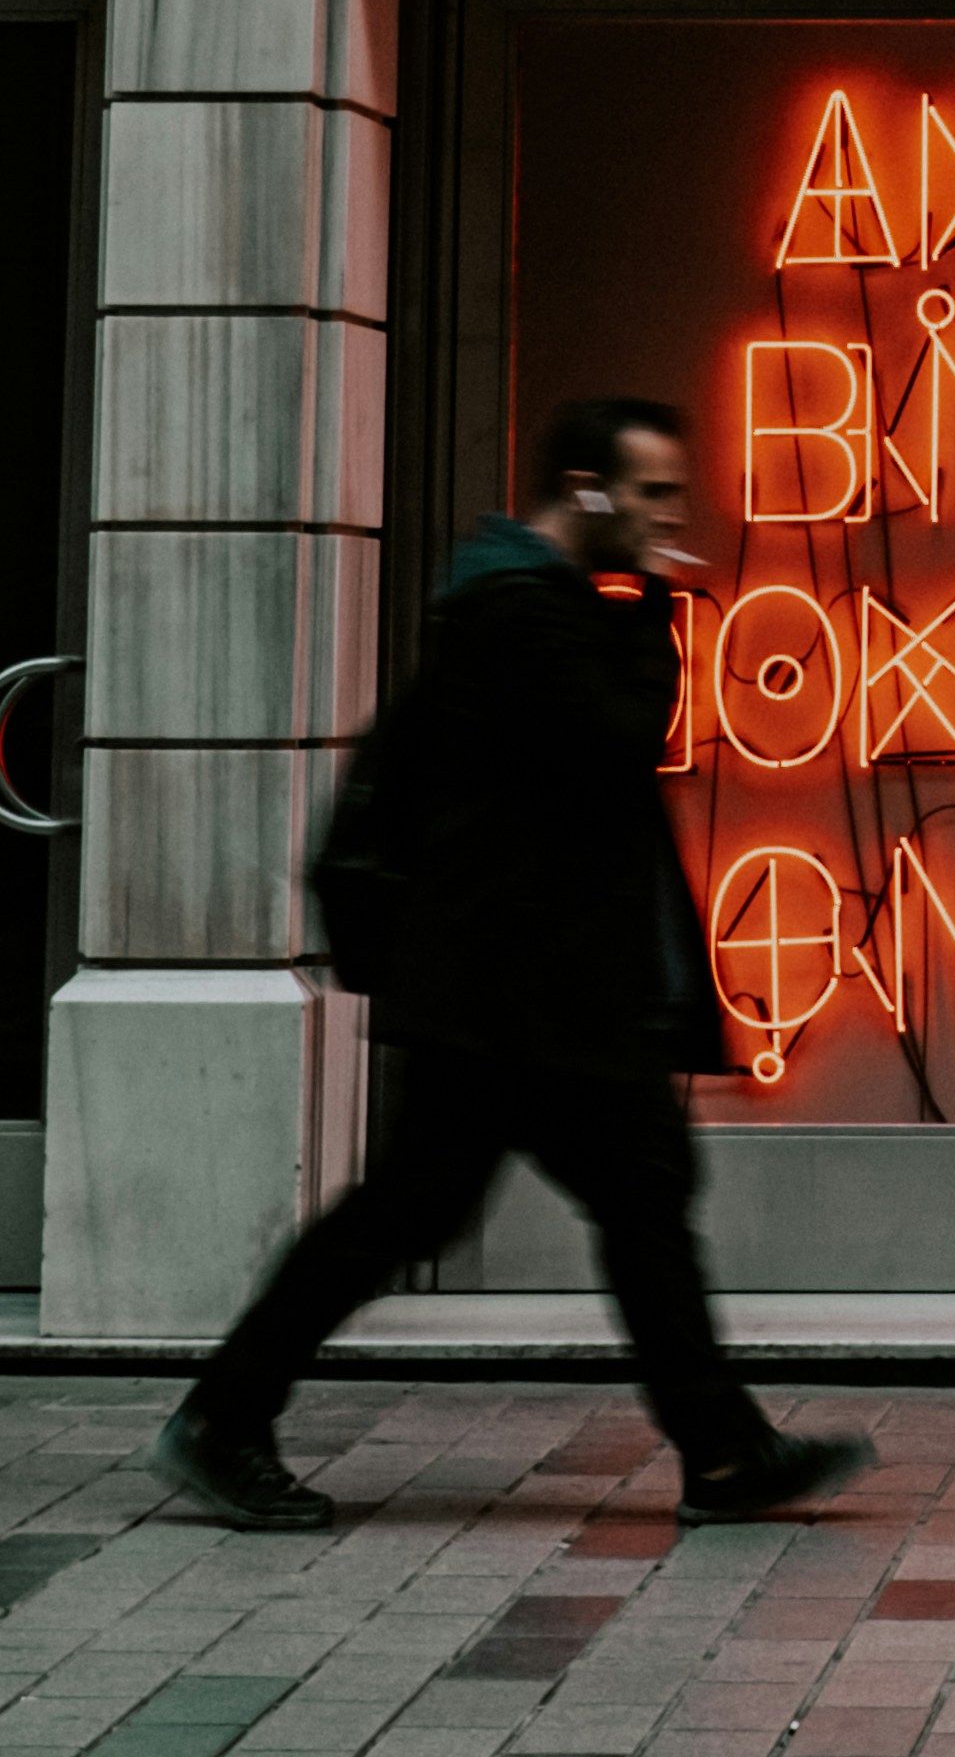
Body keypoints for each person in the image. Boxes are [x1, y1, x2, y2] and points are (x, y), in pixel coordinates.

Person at [145, 396, 873, 1534]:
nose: (671, 515)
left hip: (512, 995)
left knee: (476, 1206)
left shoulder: (521, 603)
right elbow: (620, 737)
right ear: (587, 488)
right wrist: (654, 609)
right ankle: (226, 1419)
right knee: (553, 1201)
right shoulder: (521, 617)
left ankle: (722, 1449)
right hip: (520, 1000)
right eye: (651, 493)